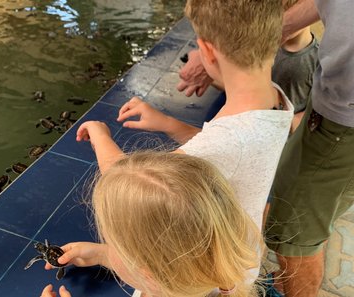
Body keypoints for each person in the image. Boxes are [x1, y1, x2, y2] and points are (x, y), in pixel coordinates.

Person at [74, 0, 293, 233]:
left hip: (212, 263)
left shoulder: (230, 138)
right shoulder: (272, 98)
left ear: (207, 51)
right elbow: (223, 150)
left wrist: (100, 136)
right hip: (240, 242)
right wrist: (169, 124)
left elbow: (128, 185)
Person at [40, 152, 262, 297]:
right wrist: (102, 255)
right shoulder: (216, 273)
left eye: (112, 243)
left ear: (149, 274)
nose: (108, 245)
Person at [264, 0, 354, 296]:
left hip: (343, 120)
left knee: (295, 233)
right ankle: (284, 280)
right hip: (331, 107)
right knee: (310, 215)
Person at [272, 0, 319, 132]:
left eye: (291, 12)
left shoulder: (318, 61)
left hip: (284, 134)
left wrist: (290, 123)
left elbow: (315, 114)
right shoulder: (267, 45)